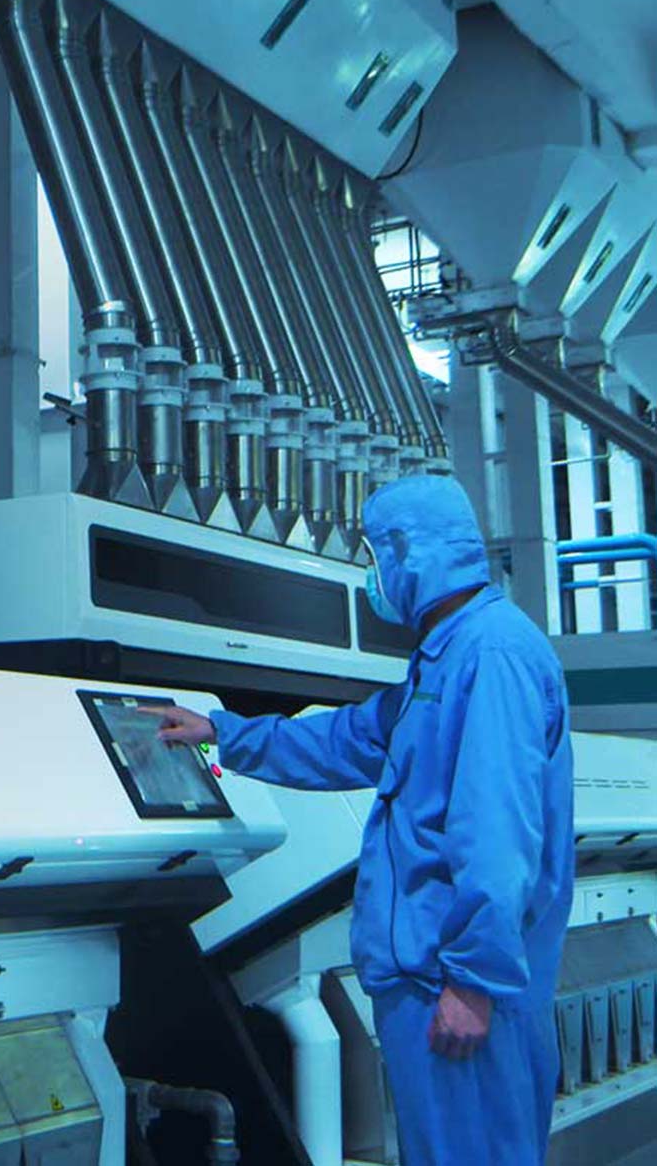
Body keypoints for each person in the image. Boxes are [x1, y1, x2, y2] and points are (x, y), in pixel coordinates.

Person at [145, 475, 574, 1166]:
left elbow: (497, 832)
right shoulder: (446, 657)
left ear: (409, 552)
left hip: (453, 984)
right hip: (434, 978)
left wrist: (473, 982)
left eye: (374, 556)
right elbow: (350, 738)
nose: (372, 576)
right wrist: (222, 731)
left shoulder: (491, 654)